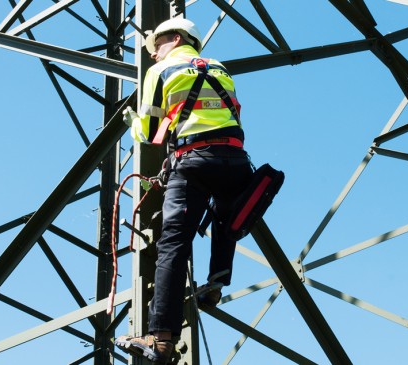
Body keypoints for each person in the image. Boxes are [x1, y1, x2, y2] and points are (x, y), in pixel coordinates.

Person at [115, 17, 252, 363]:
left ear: (175, 39)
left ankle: (160, 341)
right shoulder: (220, 69)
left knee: (172, 246)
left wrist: (131, 122)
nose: (155, 53)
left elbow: (149, 132)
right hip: (235, 158)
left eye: (157, 45)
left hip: (192, 161)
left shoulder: (160, 71)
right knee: (227, 220)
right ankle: (216, 284)